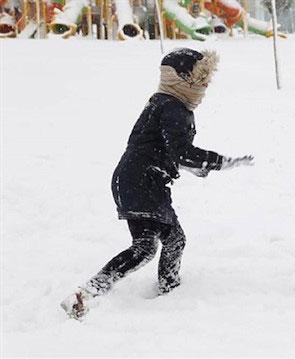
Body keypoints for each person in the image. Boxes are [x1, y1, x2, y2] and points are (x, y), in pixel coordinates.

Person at [61, 48, 254, 319]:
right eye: (202, 78)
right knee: (152, 245)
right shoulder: (173, 107)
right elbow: (182, 152)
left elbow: (165, 149)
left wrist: (190, 165)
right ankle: (100, 291)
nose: (206, 85)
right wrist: (220, 161)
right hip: (143, 181)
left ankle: (160, 289)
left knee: (167, 241)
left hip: (135, 179)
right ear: (185, 79)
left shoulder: (164, 102)